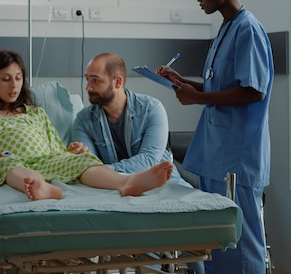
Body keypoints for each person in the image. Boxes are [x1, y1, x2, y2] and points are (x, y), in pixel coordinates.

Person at [157, 0, 273, 274]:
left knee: (241, 239)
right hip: (217, 154)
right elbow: (220, 86)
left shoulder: (248, 29)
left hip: (238, 157)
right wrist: (185, 84)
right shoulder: (226, 29)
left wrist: (199, 97)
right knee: (218, 241)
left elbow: (254, 91)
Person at [0, 49, 173, 201]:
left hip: (45, 160)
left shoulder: (36, 114)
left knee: (79, 161)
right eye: (5, 79)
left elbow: (57, 152)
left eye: (18, 78)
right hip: (8, 161)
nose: (13, 85)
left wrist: (72, 152)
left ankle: (126, 182)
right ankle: (40, 186)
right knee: (9, 163)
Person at [72, 52, 205, 274]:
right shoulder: (84, 119)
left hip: (164, 183)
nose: (88, 87)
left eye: (95, 80)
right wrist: (87, 162)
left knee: (193, 233)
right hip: (116, 190)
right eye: (87, 79)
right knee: (145, 239)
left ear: (117, 81)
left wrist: (104, 172)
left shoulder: (152, 109)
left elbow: (149, 161)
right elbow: (87, 166)